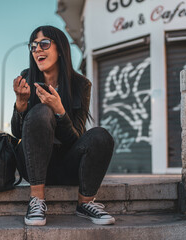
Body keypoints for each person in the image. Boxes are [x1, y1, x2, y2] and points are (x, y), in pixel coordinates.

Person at [11, 25, 115, 226]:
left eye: (44, 44)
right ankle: (37, 199)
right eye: (33, 46)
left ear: (60, 49)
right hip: (33, 165)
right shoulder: (27, 77)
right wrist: (21, 104)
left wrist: (60, 111)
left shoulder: (80, 84)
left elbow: (77, 139)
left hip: (68, 165)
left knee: (101, 135)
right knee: (41, 112)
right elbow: (17, 134)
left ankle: (85, 203)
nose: (37, 50)